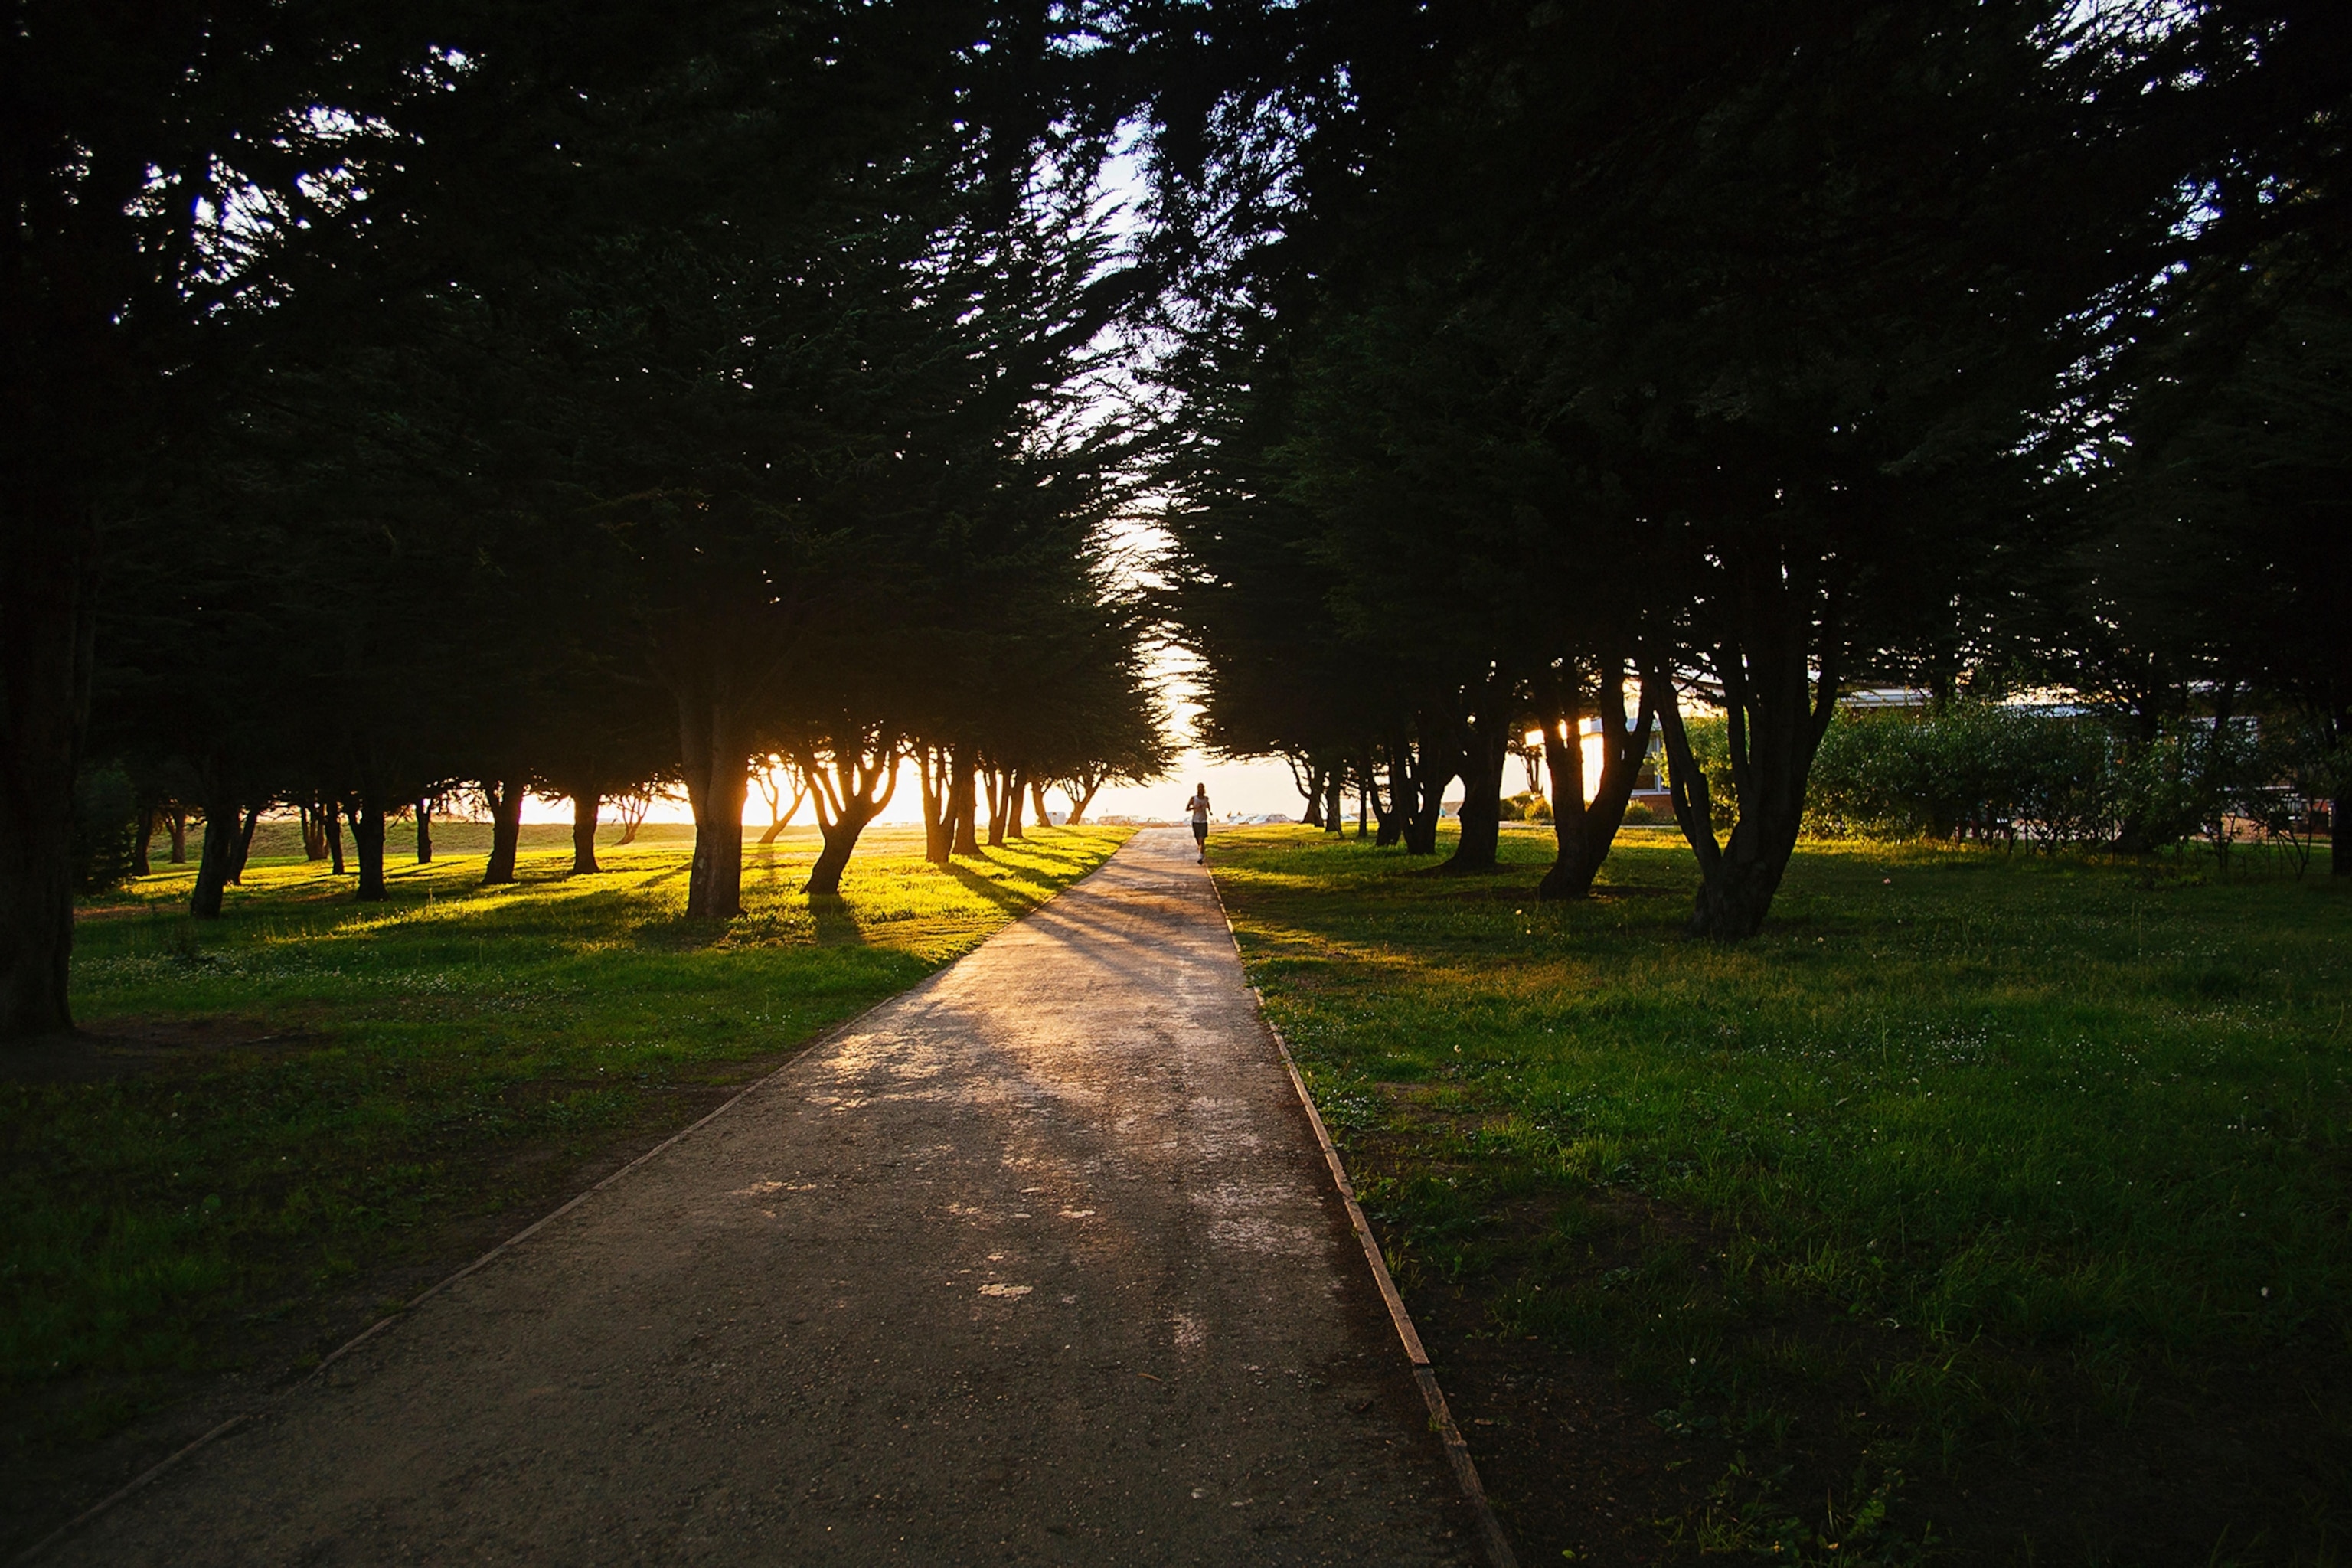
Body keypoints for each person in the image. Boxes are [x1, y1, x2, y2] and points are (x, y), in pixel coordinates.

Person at [1184, 783, 1211, 863]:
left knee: (1202, 839)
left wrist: (1210, 811)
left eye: (1202, 788)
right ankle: (1201, 851)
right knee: (1198, 840)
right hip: (1195, 821)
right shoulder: (1193, 799)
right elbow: (1187, 809)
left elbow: (1208, 806)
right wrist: (1195, 808)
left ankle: (1201, 857)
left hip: (1203, 821)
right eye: (1199, 788)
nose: (1201, 789)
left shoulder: (1206, 799)